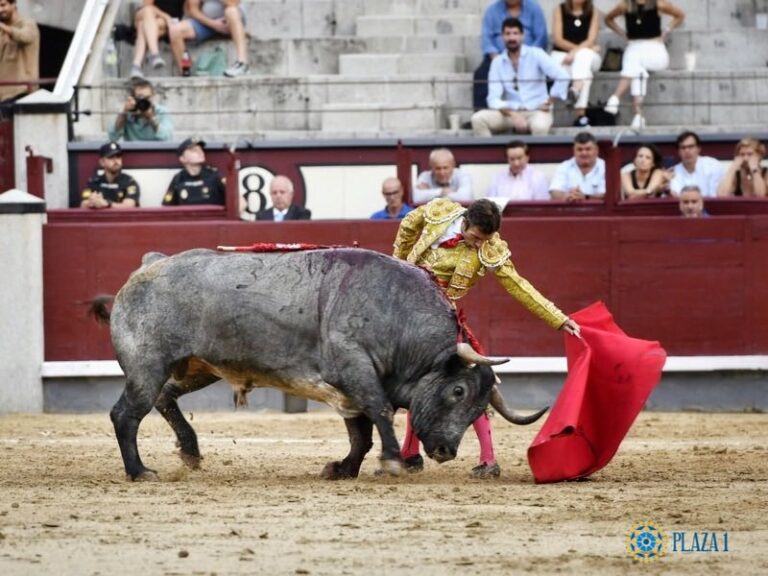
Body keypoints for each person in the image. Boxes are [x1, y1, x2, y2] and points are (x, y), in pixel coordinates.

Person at [393, 197, 581, 478]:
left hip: (441, 322)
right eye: (476, 237)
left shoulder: (490, 248)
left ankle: (488, 459)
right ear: (465, 221)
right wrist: (398, 263)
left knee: (472, 385)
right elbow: (408, 224)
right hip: (407, 313)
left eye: (485, 239)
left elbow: (519, 286)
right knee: (417, 382)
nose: (479, 244)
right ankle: (409, 453)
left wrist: (559, 318)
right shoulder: (441, 211)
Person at [471, 17, 570, 137]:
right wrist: (514, 115)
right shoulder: (497, 62)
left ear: (522, 36)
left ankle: (536, 156)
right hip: (510, 113)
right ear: (502, 37)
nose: (512, 38)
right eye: (508, 34)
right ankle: (489, 156)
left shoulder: (536, 54)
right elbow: (493, 99)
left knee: (539, 126)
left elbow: (562, 76)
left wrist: (550, 101)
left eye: (515, 33)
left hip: (537, 111)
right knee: (478, 119)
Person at [603, 0, 685, 130]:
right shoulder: (625, 6)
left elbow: (680, 15)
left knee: (634, 61)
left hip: (654, 50)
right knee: (638, 70)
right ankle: (638, 115)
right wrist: (622, 33)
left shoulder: (658, 4)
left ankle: (614, 98)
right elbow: (608, 19)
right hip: (634, 47)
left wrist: (666, 30)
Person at [473, 0, 548, 111]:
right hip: (498, 56)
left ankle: (542, 109)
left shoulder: (534, 8)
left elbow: (541, 37)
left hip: (529, 57)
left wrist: (530, 57)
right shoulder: (492, 10)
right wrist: (496, 59)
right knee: (481, 74)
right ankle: (482, 112)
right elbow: (486, 39)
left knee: (548, 72)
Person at [550, 0, 602, 128]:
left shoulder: (593, 11)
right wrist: (576, 51)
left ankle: (576, 89)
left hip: (587, 56)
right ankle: (581, 115)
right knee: (586, 74)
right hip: (563, 55)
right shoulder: (559, 9)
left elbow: (591, 39)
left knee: (583, 56)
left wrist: (576, 52)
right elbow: (558, 39)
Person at [169, 0, 250, 78]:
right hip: (208, 22)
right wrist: (213, 24)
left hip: (230, 21)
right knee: (175, 30)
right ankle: (186, 73)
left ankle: (242, 63)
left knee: (231, 11)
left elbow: (232, 2)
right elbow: (192, 10)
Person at [129, 0, 185, 80]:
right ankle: (155, 54)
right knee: (148, 12)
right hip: (145, 14)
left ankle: (136, 66)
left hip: (166, 22)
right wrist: (166, 16)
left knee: (143, 26)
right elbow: (147, 7)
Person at [163, 137, 226, 205]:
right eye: (194, 150)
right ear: (183, 158)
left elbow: (235, 199)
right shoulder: (178, 179)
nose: (200, 152)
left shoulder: (215, 175)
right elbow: (167, 207)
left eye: (200, 149)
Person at [108, 79, 174, 142]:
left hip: (156, 151)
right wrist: (124, 112)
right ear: (133, 98)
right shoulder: (128, 113)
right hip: (133, 151)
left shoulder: (161, 112)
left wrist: (151, 118)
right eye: (140, 98)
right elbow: (113, 137)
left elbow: (167, 138)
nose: (144, 101)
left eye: (147, 98)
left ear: (153, 96)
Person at [80, 142, 140, 209]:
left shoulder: (129, 182)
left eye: (118, 157)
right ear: (102, 162)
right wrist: (93, 202)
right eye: (111, 157)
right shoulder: (94, 182)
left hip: (121, 219)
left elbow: (129, 206)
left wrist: (106, 204)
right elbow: (83, 205)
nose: (116, 161)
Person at [0, 0, 39, 102]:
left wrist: (5, 28)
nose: (0, 10)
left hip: (22, 91)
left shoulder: (28, 24)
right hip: (4, 94)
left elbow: (25, 36)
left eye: (3, 5)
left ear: (13, 4)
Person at [549, 131, 606, 201]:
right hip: (570, 210)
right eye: (580, 149)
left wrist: (585, 197)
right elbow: (554, 193)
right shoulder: (564, 167)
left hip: (598, 211)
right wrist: (568, 196)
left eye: (588, 149)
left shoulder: (606, 167)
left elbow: (607, 196)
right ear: (574, 151)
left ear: (596, 150)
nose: (584, 153)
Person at [669, 131, 723, 198]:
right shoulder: (673, 172)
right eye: (683, 148)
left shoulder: (713, 165)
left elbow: (715, 196)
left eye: (691, 147)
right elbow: (677, 198)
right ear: (678, 152)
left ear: (698, 149)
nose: (687, 151)